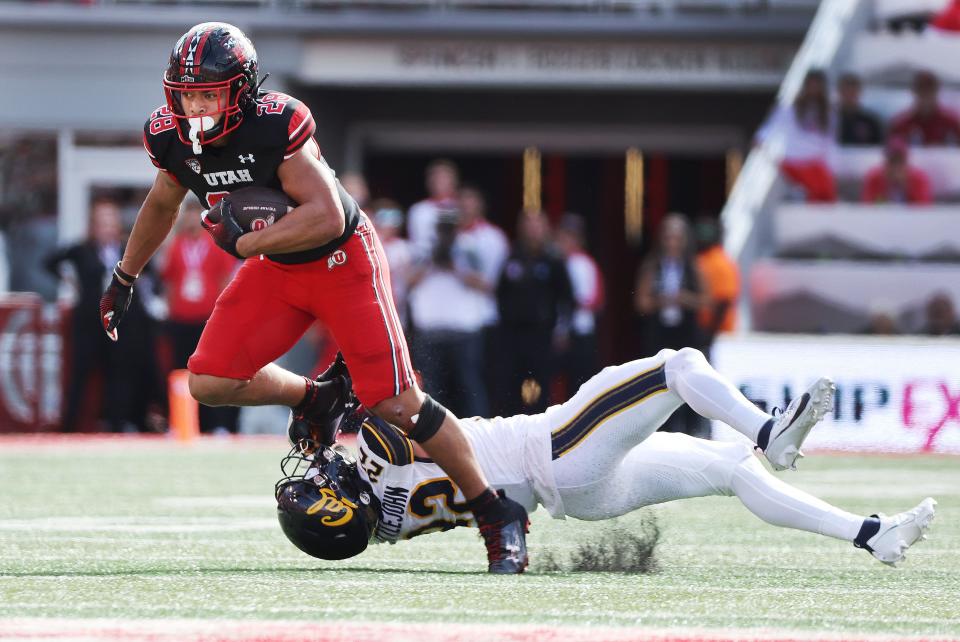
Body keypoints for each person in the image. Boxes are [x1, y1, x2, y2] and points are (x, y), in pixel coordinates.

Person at [97, 22, 528, 572]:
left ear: (242, 90)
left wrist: (248, 240)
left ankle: (496, 512)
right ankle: (315, 398)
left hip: (341, 261)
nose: (197, 105)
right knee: (209, 380)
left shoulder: (277, 123)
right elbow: (162, 202)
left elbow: (325, 217)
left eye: (209, 92)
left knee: (394, 403)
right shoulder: (169, 136)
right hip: (276, 268)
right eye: (188, 93)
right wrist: (125, 276)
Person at [276, 348, 936, 569]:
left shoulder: (385, 526)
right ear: (339, 505)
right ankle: (772, 432)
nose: (322, 471)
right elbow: (407, 405)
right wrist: (332, 407)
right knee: (679, 367)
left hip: (580, 498)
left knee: (728, 469)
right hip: (554, 451)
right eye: (321, 484)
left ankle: (869, 535)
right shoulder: (375, 450)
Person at [46, 198, 162, 432]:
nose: (107, 228)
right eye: (102, 223)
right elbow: (50, 262)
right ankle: (68, 427)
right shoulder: (80, 249)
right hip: (89, 322)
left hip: (119, 323)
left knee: (119, 373)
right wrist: (72, 283)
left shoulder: (127, 248)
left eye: (111, 223)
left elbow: (151, 272)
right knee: (80, 373)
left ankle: (116, 424)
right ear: (93, 226)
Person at [160, 195, 240, 433]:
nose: (191, 219)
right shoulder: (175, 245)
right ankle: (180, 421)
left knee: (211, 372)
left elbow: (226, 281)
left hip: (208, 320)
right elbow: (169, 281)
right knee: (180, 369)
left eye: (196, 213)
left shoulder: (217, 243)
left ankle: (217, 424)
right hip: (180, 319)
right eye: (187, 213)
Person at [496, 210, 574, 415]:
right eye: (528, 225)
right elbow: (500, 293)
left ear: (545, 228)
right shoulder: (513, 257)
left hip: (542, 333)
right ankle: (511, 422)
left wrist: (562, 331)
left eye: (537, 225)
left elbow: (566, 298)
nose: (532, 231)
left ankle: (540, 422)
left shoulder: (553, 260)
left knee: (540, 381)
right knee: (511, 381)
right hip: (513, 333)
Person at [756, 69, 837, 202]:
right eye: (811, 85)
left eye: (817, 85)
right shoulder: (789, 108)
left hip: (816, 163)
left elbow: (829, 141)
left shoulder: (829, 112)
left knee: (825, 192)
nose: (814, 89)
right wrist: (760, 138)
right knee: (814, 188)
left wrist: (831, 165)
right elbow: (772, 126)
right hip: (793, 162)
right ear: (805, 86)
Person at [554, 212, 604, 393]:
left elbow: (593, 301)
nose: (564, 240)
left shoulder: (584, 264)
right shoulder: (556, 262)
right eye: (562, 235)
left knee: (579, 384)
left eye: (569, 236)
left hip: (580, 332)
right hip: (559, 331)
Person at [889, 71, 960, 146]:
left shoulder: (952, 122)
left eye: (929, 90)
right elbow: (892, 151)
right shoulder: (901, 124)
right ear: (914, 92)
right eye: (922, 90)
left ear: (936, 91)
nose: (926, 95)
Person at [407, 159, 459, 260]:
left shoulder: (462, 208)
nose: (438, 181)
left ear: (454, 180)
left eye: (444, 177)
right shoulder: (417, 210)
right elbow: (417, 243)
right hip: (426, 267)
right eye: (435, 177)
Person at [861, 137, 933, 205]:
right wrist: (886, 186)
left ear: (906, 162)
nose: (896, 167)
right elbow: (867, 208)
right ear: (886, 162)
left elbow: (924, 210)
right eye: (892, 161)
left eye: (900, 161)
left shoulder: (919, 179)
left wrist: (906, 186)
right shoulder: (874, 178)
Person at [836, 73, 884, 146]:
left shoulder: (871, 122)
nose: (849, 95)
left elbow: (879, 148)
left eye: (852, 91)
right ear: (840, 92)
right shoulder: (830, 121)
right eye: (846, 91)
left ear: (859, 92)